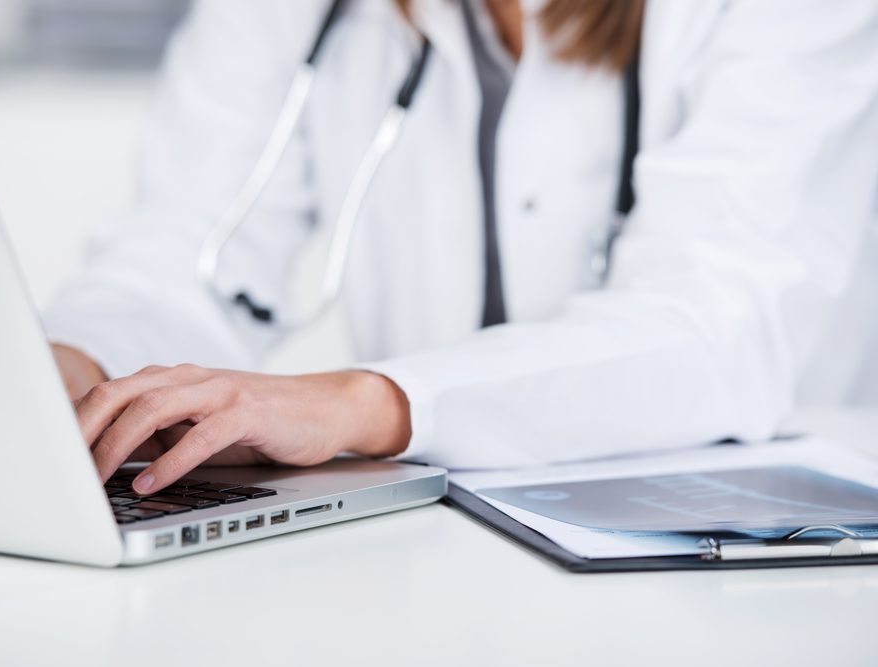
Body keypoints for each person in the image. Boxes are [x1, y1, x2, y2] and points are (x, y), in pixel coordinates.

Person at [45, 0, 878, 496]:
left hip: (744, 550)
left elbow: (715, 326)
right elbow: (186, 251)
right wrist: (80, 364)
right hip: (434, 548)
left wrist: (363, 404)